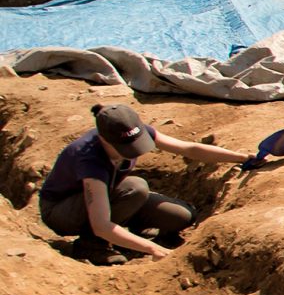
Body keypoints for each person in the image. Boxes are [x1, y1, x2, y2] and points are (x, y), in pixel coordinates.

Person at [37, 103, 257, 260]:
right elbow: (101, 224)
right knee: (135, 187)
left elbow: (189, 149)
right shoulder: (89, 159)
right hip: (62, 212)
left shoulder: (134, 132)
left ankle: (129, 235)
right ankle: (91, 245)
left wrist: (241, 157)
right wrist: (152, 249)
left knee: (181, 216)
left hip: (113, 196)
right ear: (104, 138)